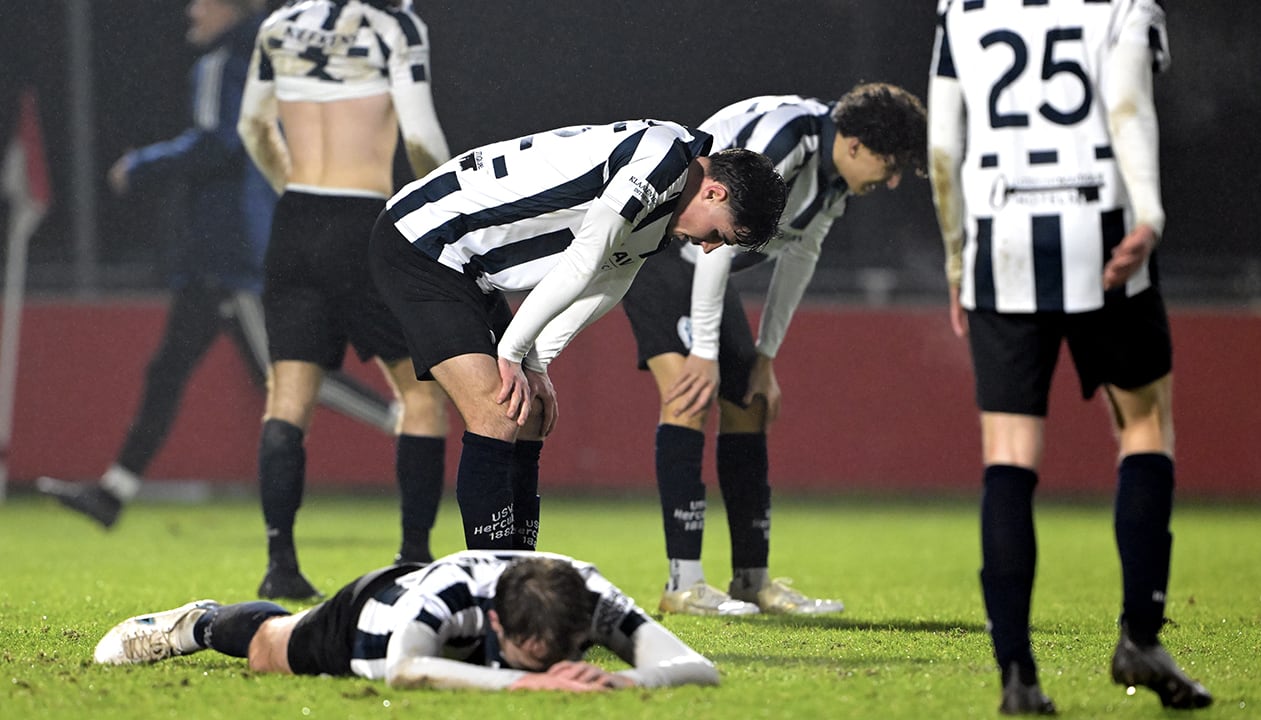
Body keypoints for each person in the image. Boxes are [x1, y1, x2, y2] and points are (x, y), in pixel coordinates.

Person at [928, 0, 1211, 713]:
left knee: (1009, 456)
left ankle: (1017, 675)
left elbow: (942, 144)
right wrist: (1149, 214)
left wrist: (958, 259)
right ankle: (1140, 638)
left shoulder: (961, 9)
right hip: (1103, 231)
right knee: (1145, 428)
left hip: (1002, 238)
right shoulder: (1123, 6)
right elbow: (1125, 103)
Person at [35, 0, 397, 531]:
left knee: (281, 370)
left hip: (232, 253)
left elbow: (221, 141)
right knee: (169, 370)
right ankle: (113, 491)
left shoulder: (223, 61)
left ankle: (407, 418)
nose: (190, 11)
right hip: (230, 247)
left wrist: (141, 165)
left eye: (202, 2)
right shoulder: (274, 57)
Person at [368, 121, 786, 553]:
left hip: (471, 268)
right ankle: (491, 584)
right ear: (715, 193)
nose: (710, 247)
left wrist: (536, 361)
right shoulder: (662, 160)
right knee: (497, 410)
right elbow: (587, 254)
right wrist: (513, 352)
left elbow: (613, 280)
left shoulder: (670, 193)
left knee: (526, 415)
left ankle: (520, 576)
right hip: (423, 241)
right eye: (720, 234)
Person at [620, 85, 927, 617]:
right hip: (662, 250)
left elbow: (802, 254)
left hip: (706, 268)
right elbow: (720, 221)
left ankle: (751, 581)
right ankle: (682, 584)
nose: (894, 179)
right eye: (892, 164)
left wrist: (765, 356)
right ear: (854, 145)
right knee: (689, 398)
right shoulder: (788, 137)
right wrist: (705, 352)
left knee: (750, 404)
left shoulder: (835, 178)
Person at [236, 0, 453, 600]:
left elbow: (252, 127)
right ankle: (413, 557)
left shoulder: (278, 25)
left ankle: (281, 561)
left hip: (296, 221)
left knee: (286, 401)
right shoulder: (396, 25)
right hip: (364, 223)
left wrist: (293, 191)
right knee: (423, 392)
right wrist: (443, 212)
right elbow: (420, 135)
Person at [92, 551, 720, 691]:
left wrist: (631, 682)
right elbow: (403, 669)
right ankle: (195, 624)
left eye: (564, 656)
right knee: (268, 649)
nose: (557, 667)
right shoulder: (449, 592)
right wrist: (529, 685)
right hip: (378, 614)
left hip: (452, 635)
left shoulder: (590, 594)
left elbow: (698, 669)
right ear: (497, 624)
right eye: (536, 656)